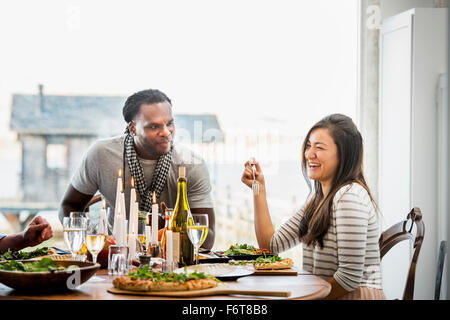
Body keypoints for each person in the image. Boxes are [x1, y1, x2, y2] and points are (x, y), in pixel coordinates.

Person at [241, 114, 385, 300]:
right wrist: (258, 189)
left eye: (319, 147)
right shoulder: (318, 200)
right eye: (309, 146)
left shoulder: (349, 197)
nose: (309, 154)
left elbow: (349, 279)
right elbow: (271, 246)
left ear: (343, 155)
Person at [58, 89, 215, 250]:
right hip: (114, 254)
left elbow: (207, 237)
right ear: (133, 128)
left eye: (169, 123)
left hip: (172, 259)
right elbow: (69, 206)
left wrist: (172, 226)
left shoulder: (191, 164)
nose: (166, 133)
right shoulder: (101, 154)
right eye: (154, 126)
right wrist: (91, 241)